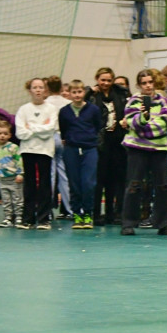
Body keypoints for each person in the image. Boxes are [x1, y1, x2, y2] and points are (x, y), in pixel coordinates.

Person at [119, 69, 167, 236]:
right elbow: (133, 122)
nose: (148, 86)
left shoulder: (163, 102)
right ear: (139, 85)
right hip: (137, 150)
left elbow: (163, 123)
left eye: (150, 82)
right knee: (134, 185)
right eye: (144, 83)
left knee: (163, 186)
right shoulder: (132, 102)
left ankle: (163, 223)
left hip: (158, 150)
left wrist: (143, 128)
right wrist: (144, 118)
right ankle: (128, 223)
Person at [86, 67, 129, 227]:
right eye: (102, 80)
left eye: (109, 80)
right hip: (100, 142)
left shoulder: (119, 94)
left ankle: (113, 213)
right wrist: (89, 91)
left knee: (116, 179)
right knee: (99, 180)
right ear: (97, 79)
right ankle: (96, 214)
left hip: (117, 142)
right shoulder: (92, 96)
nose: (105, 83)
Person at [59, 80, 104, 229]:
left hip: (89, 149)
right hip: (71, 149)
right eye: (74, 92)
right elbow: (63, 130)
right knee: (74, 183)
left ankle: (88, 214)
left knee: (88, 183)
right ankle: (77, 214)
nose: (77, 95)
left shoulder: (93, 110)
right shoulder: (64, 111)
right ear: (69, 94)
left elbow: (98, 126)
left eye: (79, 92)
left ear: (84, 93)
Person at [15, 78, 59, 230]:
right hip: (28, 150)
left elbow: (50, 129)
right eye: (35, 87)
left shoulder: (51, 109)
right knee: (30, 184)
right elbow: (20, 133)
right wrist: (41, 127)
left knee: (45, 184)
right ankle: (27, 218)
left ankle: (43, 219)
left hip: (45, 151)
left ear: (45, 90)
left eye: (41, 87)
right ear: (30, 90)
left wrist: (31, 127)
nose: (38, 90)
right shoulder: (23, 109)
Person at [45, 75, 73, 220]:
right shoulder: (68, 103)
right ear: (61, 87)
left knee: (50, 175)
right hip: (64, 139)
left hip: (50, 138)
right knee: (64, 176)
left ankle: (47, 210)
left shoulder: (44, 103)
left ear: (47, 88)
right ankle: (70, 209)